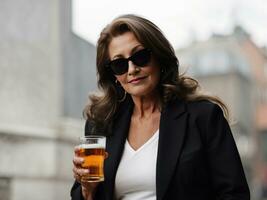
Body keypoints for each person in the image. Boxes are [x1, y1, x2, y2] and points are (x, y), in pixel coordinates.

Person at [71, 14, 250, 200]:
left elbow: (235, 194)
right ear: (113, 75)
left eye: (140, 56)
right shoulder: (100, 124)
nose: (132, 69)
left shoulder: (203, 117)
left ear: (159, 56)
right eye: (119, 64)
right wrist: (87, 190)